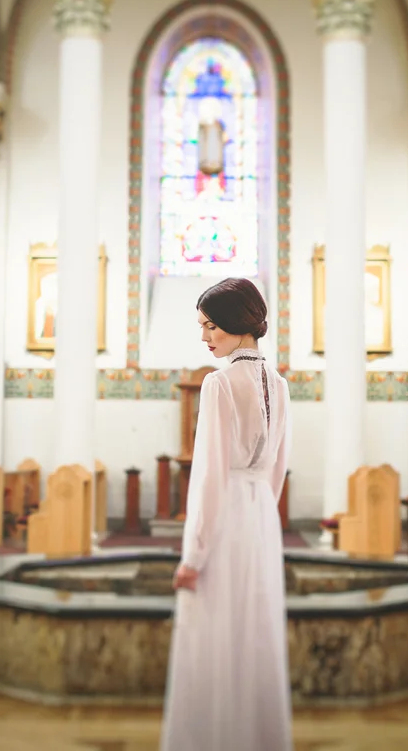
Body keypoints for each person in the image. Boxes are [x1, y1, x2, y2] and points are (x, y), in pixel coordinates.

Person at [160, 277, 293, 751]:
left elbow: (210, 476)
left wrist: (193, 556)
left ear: (237, 324)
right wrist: (261, 515)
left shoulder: (218, 385)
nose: (204, 337)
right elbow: (277, 470)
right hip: (260, 519)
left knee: (214, 633)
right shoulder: (279, 385)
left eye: (210, 325)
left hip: (226, 516)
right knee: (254, 629)